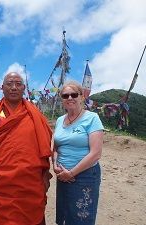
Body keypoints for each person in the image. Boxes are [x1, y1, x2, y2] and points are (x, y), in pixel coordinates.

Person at [0, 72, 52, 225]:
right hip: (1, 184)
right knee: (3, 219)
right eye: (9, 84)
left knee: (33, 217)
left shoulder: (35, 115)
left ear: (24, 88)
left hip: (31, 183)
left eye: (18, 84)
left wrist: (45, 173)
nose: (13, 88)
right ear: (2, 88)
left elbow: (44, 147)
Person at [53, 81, 104, 225]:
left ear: (82, 97)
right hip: (63, 175)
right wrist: (55, 164)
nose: (69, 98)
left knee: (81, 218)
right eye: (65, 95)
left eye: (74, 94)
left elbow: (95, 153)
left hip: (85, 175)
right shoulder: (59, 120)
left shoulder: (92, 118)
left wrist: (72, 173)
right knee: (65, 214)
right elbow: (56, 148)